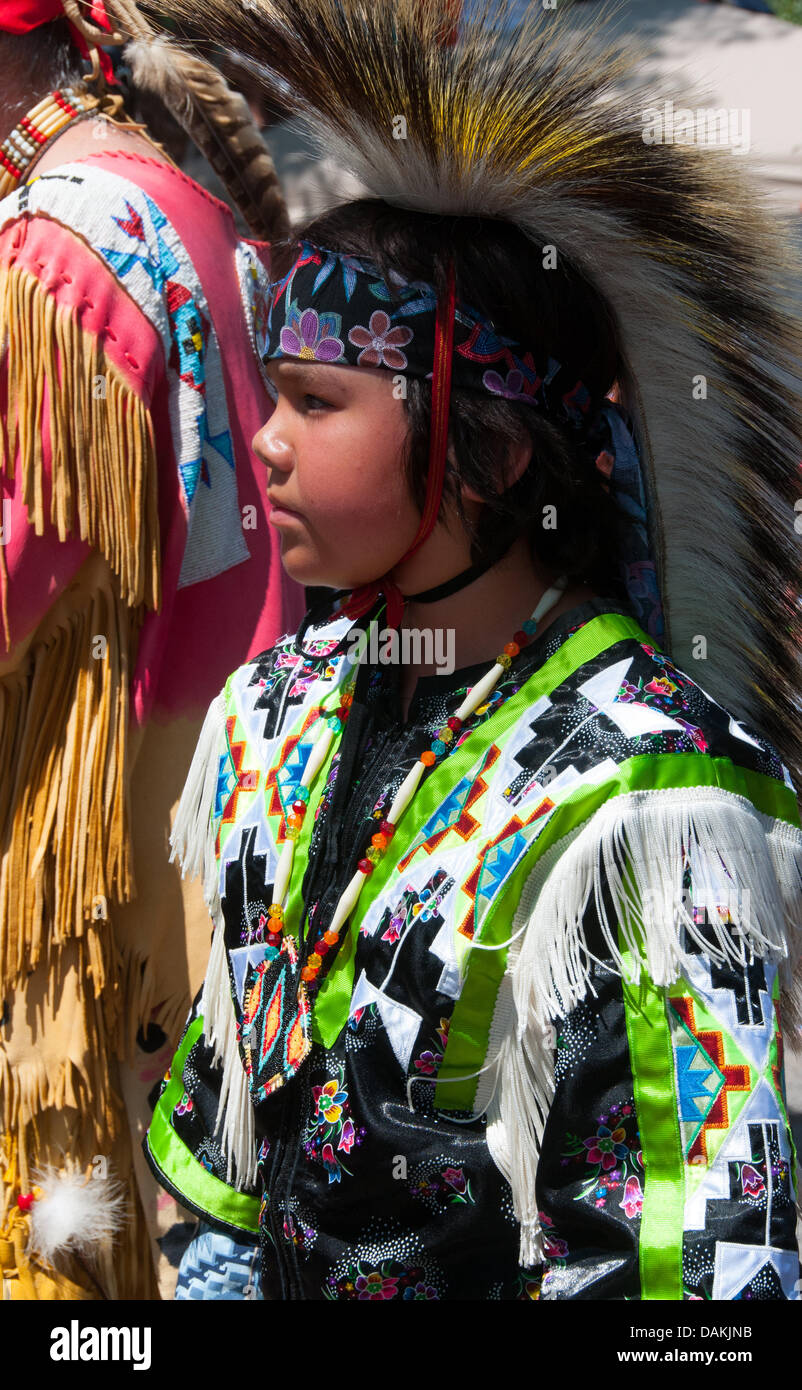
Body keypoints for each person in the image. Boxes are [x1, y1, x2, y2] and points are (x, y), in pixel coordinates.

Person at [143, 0, 802, 1300]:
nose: (263, 441)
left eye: (314, 402)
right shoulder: (273, 714)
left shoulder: (652, 802)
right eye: (267, 391)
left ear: (492, 455)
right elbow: (233, 1147)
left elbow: (696, 1269)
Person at [0, 0, 303, 1300]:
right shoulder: (178, 197)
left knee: (91, 1253)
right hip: (233, 811)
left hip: (115, 874)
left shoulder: (58, 252)